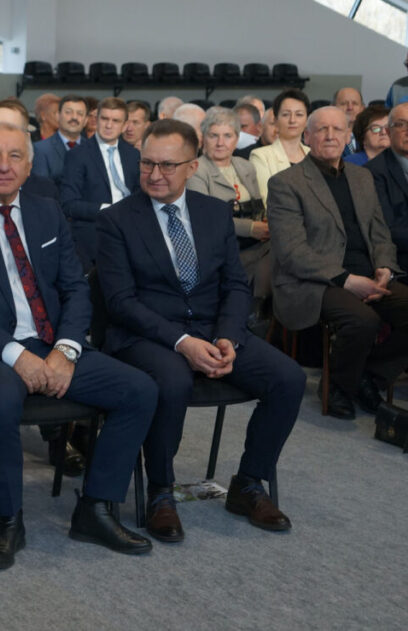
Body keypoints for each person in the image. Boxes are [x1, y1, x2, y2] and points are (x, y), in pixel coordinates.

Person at [0, 120, 157, 567]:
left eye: (15, 156)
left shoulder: (47, 212)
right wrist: (16, 355)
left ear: (29, 168)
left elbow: (75, 288)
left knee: (140, 390)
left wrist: (66, 350)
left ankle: (96, 508)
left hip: (51, 341)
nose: (4, 166)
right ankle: (9, 520)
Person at [97, 119, 304, 542]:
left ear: (193, 167)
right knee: (172, 382)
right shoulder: (117, 220)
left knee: (288, 378)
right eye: (147, 164)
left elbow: (235, 284)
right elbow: (120, 303)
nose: (155, 174)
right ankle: (160, 491)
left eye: (167, 165)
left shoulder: (213, 212)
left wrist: (228, 336)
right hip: (147, 334)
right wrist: (183, 343)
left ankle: (248, 483)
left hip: (213, 329)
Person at [269, 106, 408, 420]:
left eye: (337, 130)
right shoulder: (286, 183)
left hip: (369, 274)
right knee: (362, 320)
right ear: (307, 137)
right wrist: (346, 279)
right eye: (322, 129)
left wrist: (385, 267)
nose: (330, 136)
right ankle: (336, 389)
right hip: (314, 280)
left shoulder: (361, 176)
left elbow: (379, 232)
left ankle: (366, 375)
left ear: (348, 137)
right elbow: (292, 252)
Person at [187, 107, 269, 305]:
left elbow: (258, 206)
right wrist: (251, 228)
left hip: (257, 243)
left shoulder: (246, 166)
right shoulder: (196, 170)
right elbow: (205, 219)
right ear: (203, 138)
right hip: (221, 248)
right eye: (213, 135)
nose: (220, 143)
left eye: (227, 136)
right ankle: (255, 308)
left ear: (237, 138)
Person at [60, 96, 139, 271]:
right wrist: (107, 210)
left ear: (125, 125)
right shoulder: (77, 155)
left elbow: (141, 195)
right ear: (96, 120)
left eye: (115, 121)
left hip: (131, 231)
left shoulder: (133, 155)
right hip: (94, 233)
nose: (109, 125)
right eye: (104, 119)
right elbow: (68, 204)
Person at [366, 102, 408, 273]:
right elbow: (387, 230)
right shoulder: (373, 172)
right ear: (389, 132)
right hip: (400, 260)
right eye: (401, 124)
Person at [250, 89, 310, 203]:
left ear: (307, 120)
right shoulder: (261, 156)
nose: (292, 120)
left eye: (299, 114)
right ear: (276, 120)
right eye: (286, 114)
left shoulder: (313, 155)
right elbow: (268, 201)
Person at [31, 94, 86, 181]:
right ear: (59, 116)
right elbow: (40, 186)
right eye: (68, 112)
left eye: (80, 113)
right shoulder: (41, 149)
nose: (74, 117)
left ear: (86, 119)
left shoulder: (93, 148)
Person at [334, 87, 365, 156]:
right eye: (344, 103)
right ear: (333, 107)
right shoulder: (327, 135)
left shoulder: (368, 135)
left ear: (362, 109)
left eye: (355, 103)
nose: (350, 107)